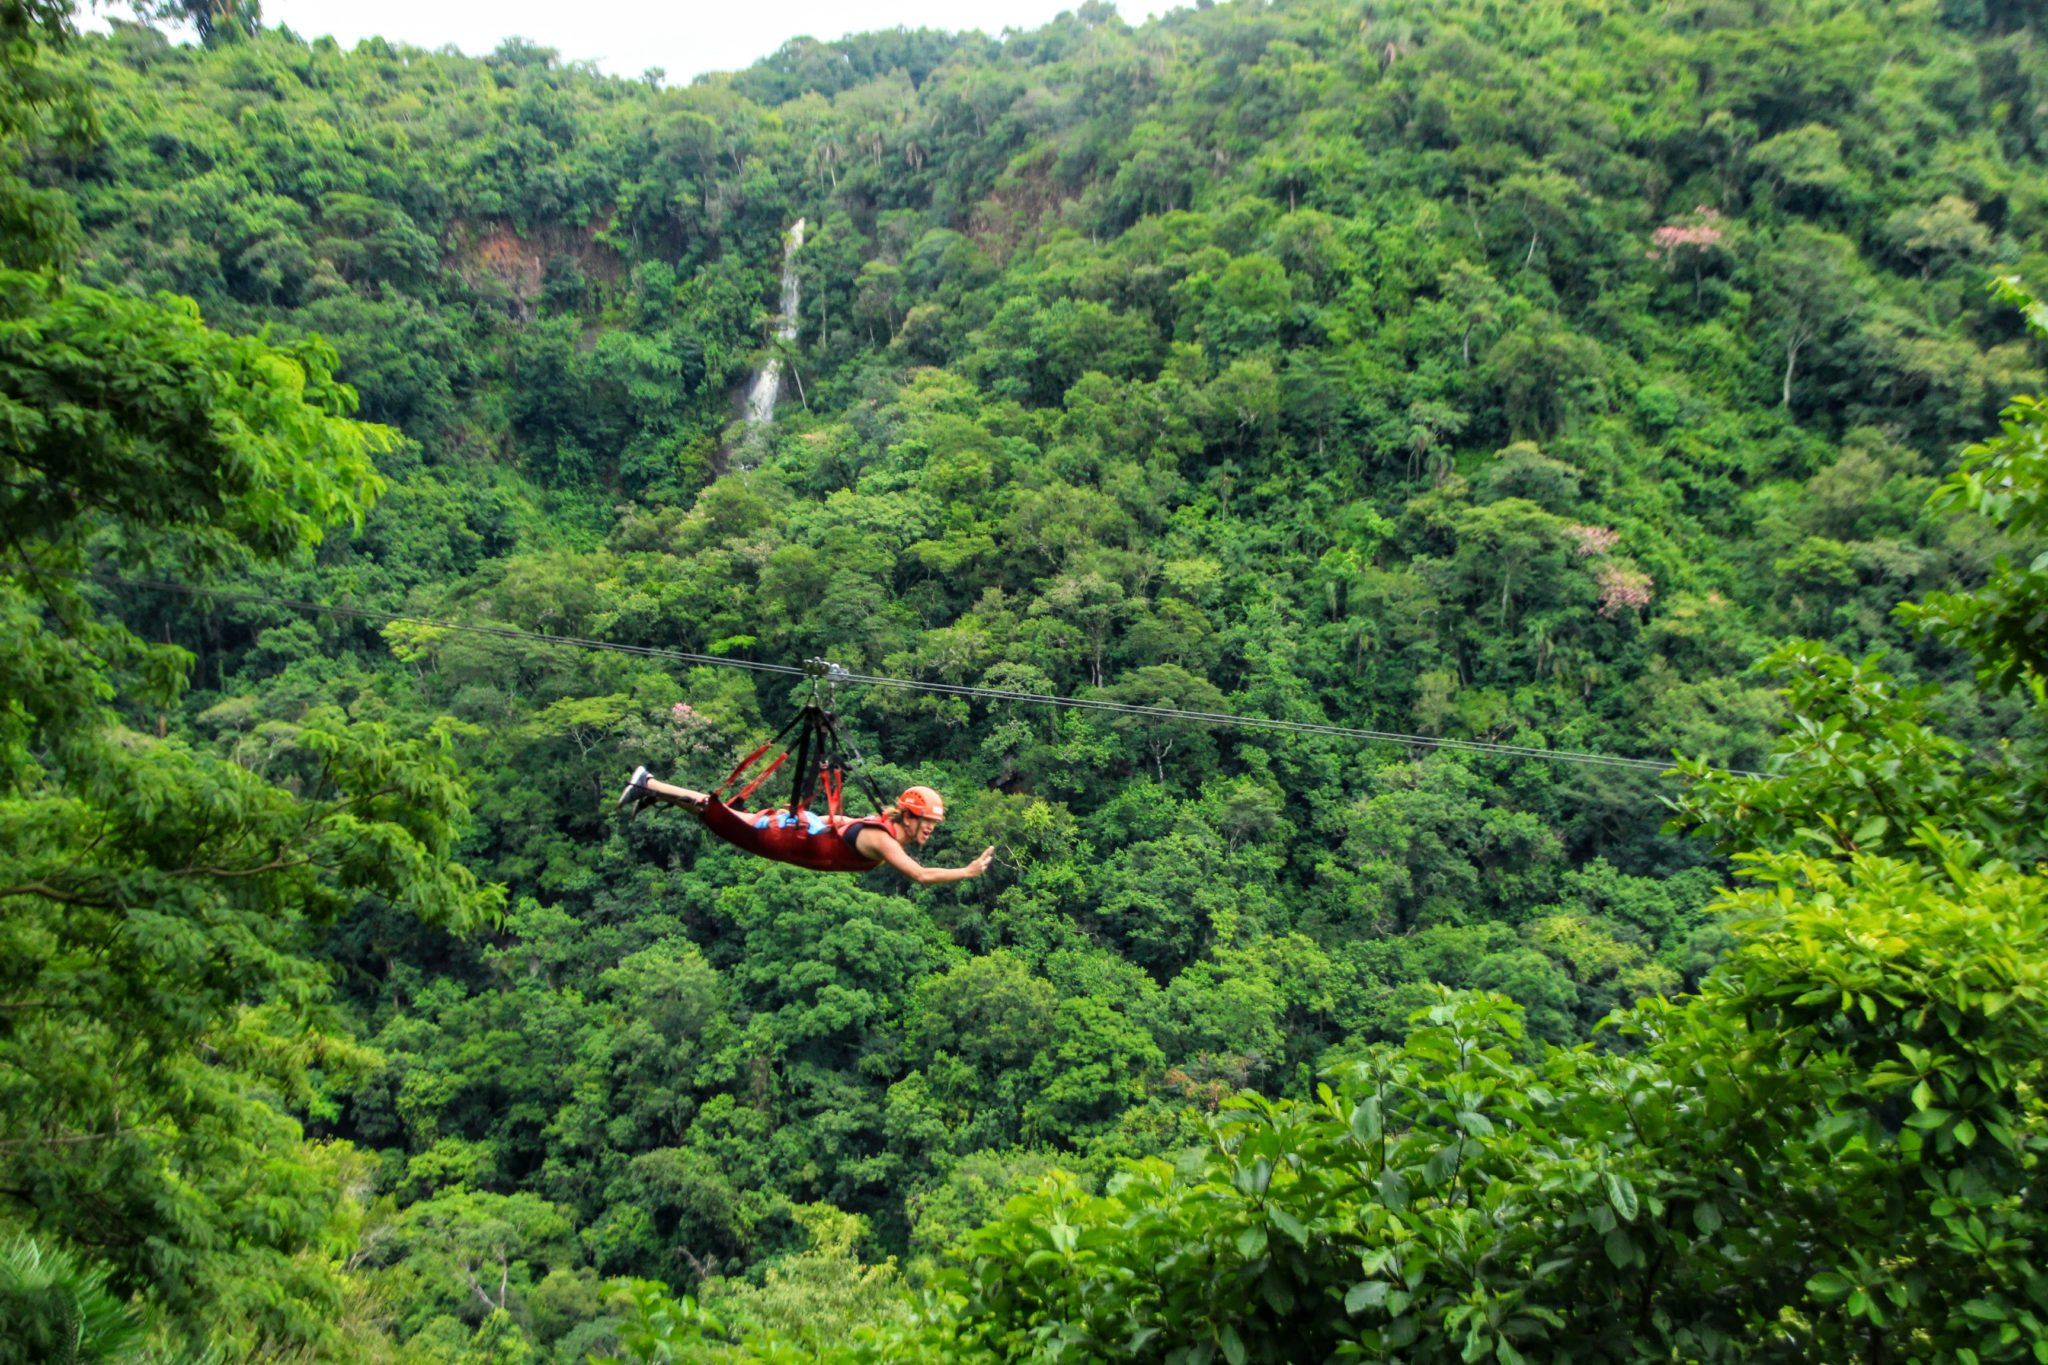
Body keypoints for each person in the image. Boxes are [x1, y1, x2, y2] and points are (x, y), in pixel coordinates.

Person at [619, 768, 994, 884]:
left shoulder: (879, 827)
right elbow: (921, 875)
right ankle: (648, 784)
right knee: (717, 814)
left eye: (933, 824)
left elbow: (841, 823)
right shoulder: (882, 839)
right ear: (909, 817)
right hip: (782, 837)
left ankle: (654, 792)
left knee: (720, 819)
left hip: (791, 832)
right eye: (927, 822)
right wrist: (968, 870)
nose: (930, 829)